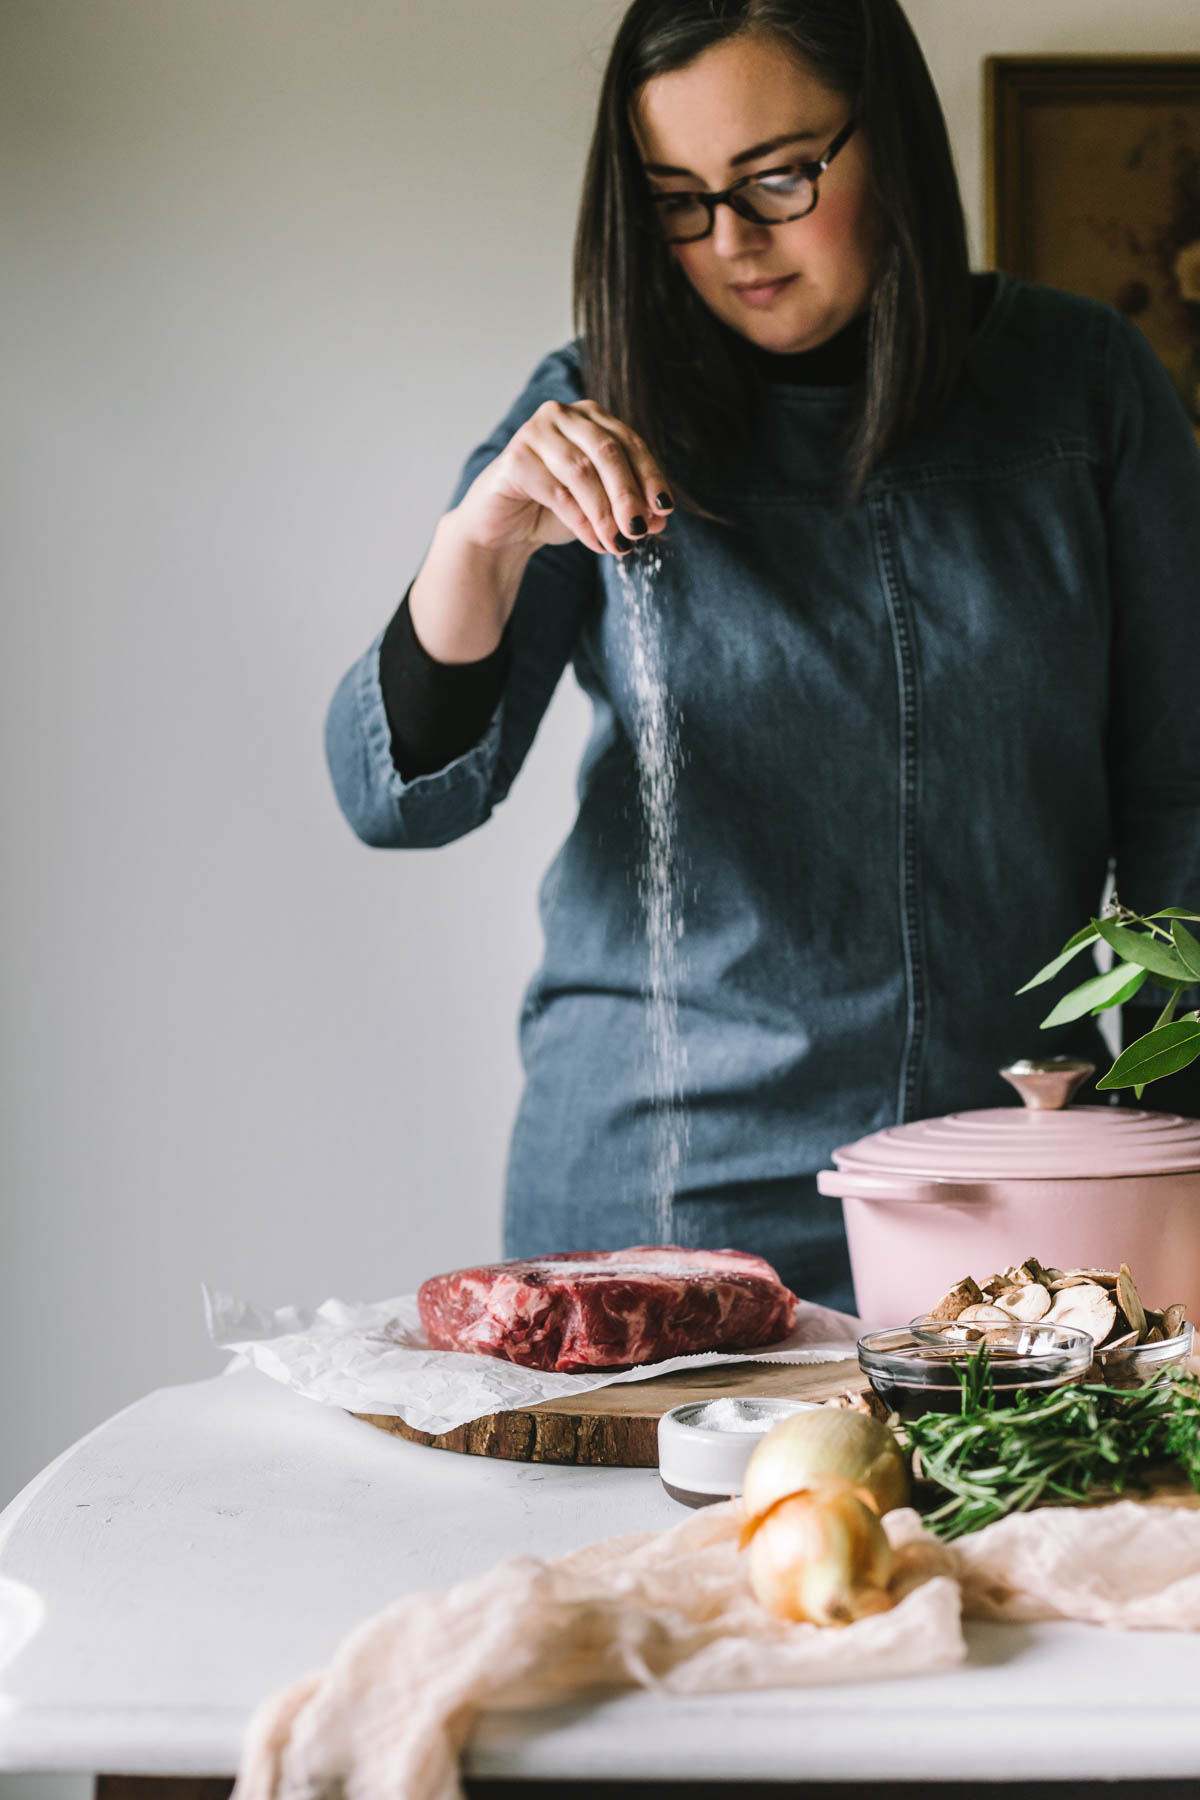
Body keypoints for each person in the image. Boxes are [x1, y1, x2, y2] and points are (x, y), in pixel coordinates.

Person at [325, 0, 1200, 1312]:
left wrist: (1170, 1137)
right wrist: (479, 542)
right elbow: (397, 796)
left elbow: (1184, 799)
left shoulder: (1082, 389)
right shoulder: (595, 411)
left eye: (779, 178)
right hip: (661, 1194)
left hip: (1017, 1182)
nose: (731, 242)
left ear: (890, 140)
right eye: (676, 196)